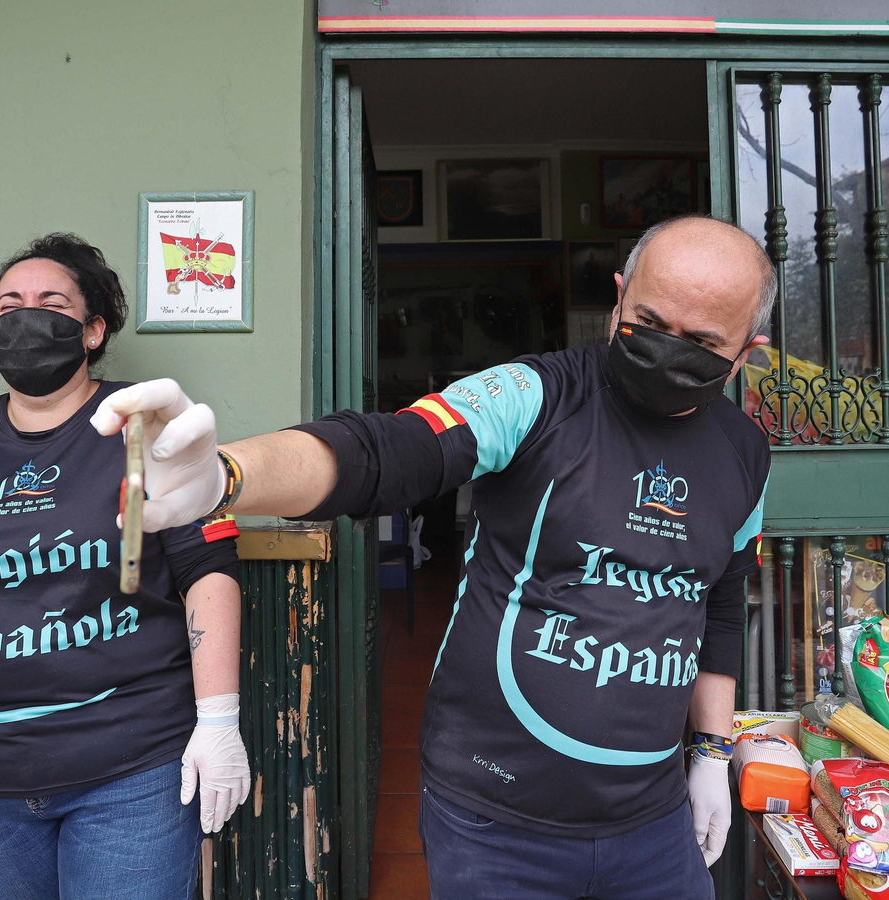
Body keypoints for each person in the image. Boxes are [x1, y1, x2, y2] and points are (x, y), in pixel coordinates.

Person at [94, 214, 775, 900]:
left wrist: (711, 756)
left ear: (746, 351)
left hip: (652, 826)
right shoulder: (536, 395)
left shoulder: (745, 452)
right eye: (650, 322)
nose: (666, 350)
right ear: (620, 296)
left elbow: (717, 600)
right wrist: (226, 477)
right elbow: (390, 450)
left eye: (700, 342)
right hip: (497, 821)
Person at [0, 233, 251, 900]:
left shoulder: (148, 426)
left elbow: (209, 567)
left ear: (92, 330)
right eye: (10, 303)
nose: (26, 315)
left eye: (51, 301)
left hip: (130, 774)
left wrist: (218, 721)